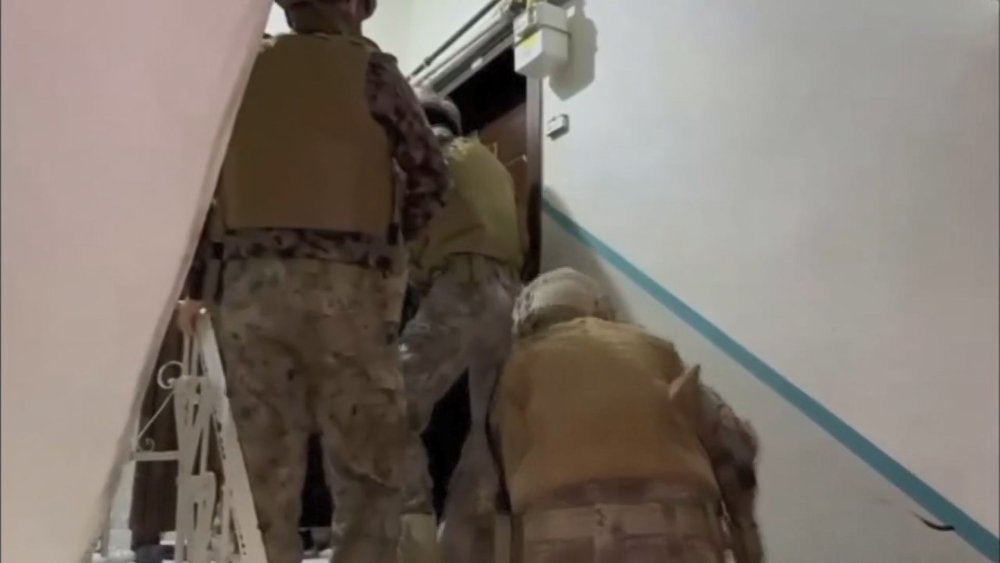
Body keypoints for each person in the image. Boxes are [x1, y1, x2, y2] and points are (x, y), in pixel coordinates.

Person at [177, 0, 449, 561]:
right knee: (368, 473)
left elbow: (201, 188)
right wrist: (392, 245)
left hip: (249, 294)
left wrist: (198, 286)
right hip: (348, 293)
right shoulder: (372, 71)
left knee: (260, 483)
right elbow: (429, 171)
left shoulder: (241, 72)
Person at [491, 268, 764, 563]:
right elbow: (735, 443)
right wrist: (744, 530)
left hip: (558, 539)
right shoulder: (654, 351)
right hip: (679, 531)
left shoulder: (518, 370)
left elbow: (485, 492)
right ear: (601, 308)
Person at [396, 91, 523, 563]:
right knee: (492, 434)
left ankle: (413, 545)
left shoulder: (423, 156)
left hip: (459, 288)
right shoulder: (492, 165)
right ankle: (476, 547)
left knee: (389, 410)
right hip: (511, 295)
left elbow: (401, 233)